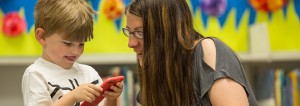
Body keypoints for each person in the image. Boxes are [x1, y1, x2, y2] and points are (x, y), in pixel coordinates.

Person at [122, 0, 258, 105]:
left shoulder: (207, 51)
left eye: (140, 32)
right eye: (129, 32)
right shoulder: (158, 68)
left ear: (167, 32)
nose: (131, 43)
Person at [21, 0, 123, 106]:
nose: (76, 51)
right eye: (68, 43)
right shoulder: (35, 74)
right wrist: (72, 97)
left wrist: (112, 99)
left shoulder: (89, 73)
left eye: (81, 44)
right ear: (41, 36)